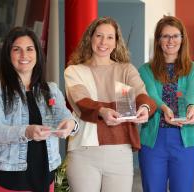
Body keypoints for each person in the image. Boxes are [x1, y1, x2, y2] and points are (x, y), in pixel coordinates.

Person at [64, 16, 156, 192]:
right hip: (83, 151)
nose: (103, 42)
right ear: (90, 38)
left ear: (116, 42)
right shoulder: (74, 71)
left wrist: (144, 108)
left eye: (109, 37)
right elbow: (81, 102)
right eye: (98, 36)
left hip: (120, 151)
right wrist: (102, 110)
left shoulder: (126, 69)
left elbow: (141, 94)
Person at [0, 27, 78, 192]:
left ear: (38, 54)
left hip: (45, 176)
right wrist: (26, 131)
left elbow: (68, 118)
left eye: (29, 49)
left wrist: (70, 124)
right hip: (9, 178)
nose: (24, 55)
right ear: (8, 54)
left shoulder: (51, 89)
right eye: (17, 50)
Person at [138, 16, 194, 192]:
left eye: (175, 36)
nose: (170, 41)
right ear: (158, 40)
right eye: (165, 36)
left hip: (184, 141)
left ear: (182, 39)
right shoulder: (145, 69)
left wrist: (192, 107)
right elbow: (151, 94)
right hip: (154, 140)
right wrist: (165, 108)